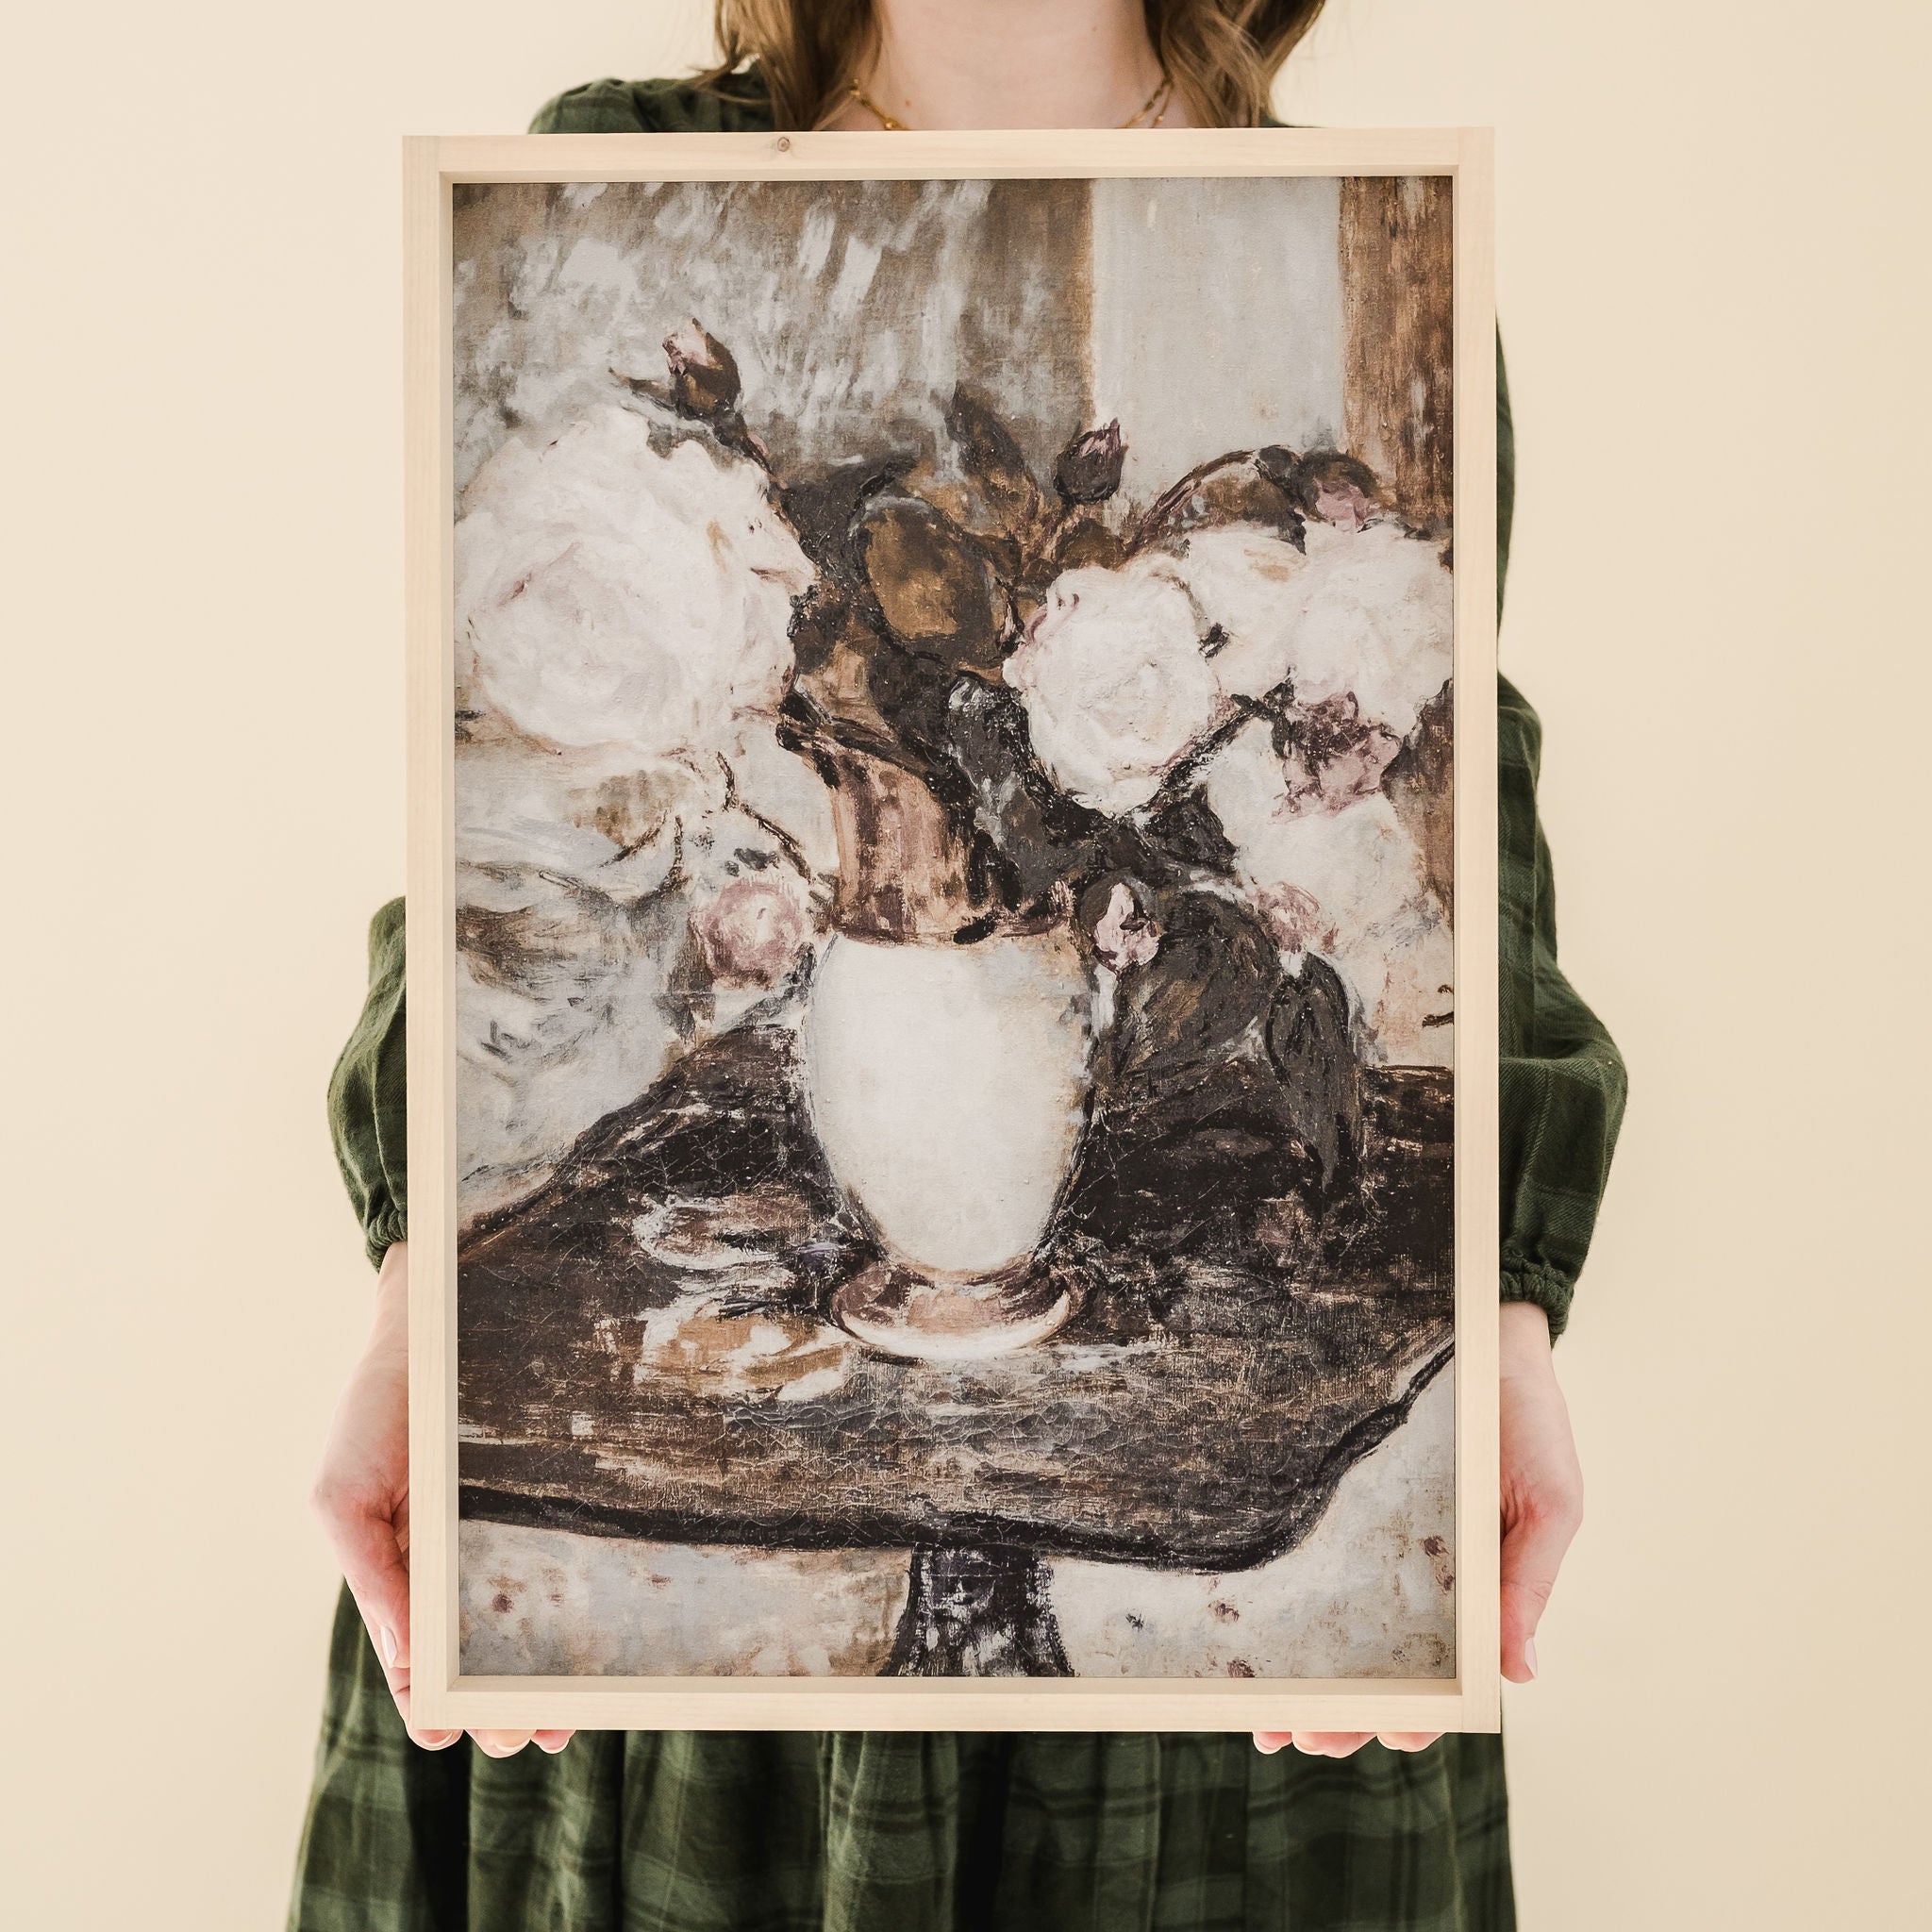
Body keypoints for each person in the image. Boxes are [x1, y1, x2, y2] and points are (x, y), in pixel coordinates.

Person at [293, 4, 1627, 1925]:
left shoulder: (1373, 242)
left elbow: (1456, 817)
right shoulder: (605, 183)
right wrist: (423, 1289)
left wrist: (1495, 1323)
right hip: (693, 1672)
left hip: (1199, 1680)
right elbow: (486, 827)